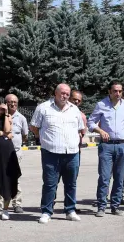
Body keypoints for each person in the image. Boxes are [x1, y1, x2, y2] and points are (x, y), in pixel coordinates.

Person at [31, 83, 88, 224]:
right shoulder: (43, 108)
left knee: (71, 183)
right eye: (62, 93)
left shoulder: (74, 109)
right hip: (51, 152)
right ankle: (46, 211)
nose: (65, 96)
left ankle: (70, 210)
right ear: (55, 93)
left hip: (72, 153)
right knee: (50, 183)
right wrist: (44, 140)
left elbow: (81, 129)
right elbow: (34, 127)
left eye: (67, 94)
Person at [89, 81, 124, 217]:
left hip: (123, 145)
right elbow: (90, 122)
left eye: (120, 91)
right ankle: (101, 206)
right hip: (107, 146)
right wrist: (100, 130)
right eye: (115, 91)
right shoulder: (101, 105)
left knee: (120, 177)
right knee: (104, 177)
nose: (118, 94)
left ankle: (115, 206)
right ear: (109, 92)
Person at [6, 93, 29, 213]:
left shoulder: (21, 118)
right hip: (2, 153)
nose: (13, 104)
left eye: (15, 102)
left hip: (15, 153)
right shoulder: (0, 116)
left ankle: (17, 203)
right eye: (10, 102)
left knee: (15, 179)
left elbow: (25, 136)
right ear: (6, 103)